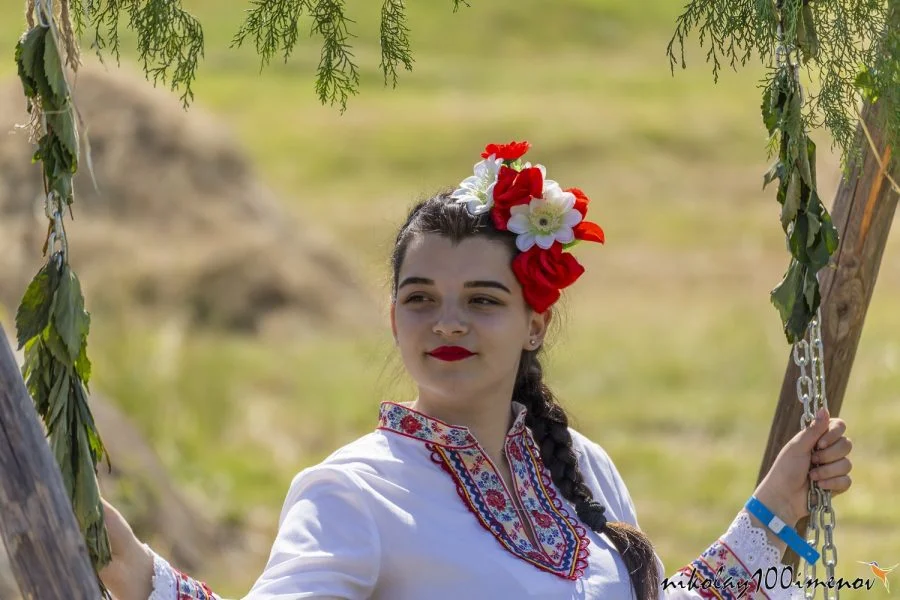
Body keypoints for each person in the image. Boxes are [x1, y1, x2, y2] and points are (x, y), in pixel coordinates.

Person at [98, 141, 853, 600]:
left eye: (482, 300)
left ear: (535, 324)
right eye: (420, 298)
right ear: (394, 320)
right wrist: (140, 576)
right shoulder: (353, 493)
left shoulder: (583, 468)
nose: (448, 322)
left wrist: (770, 510)